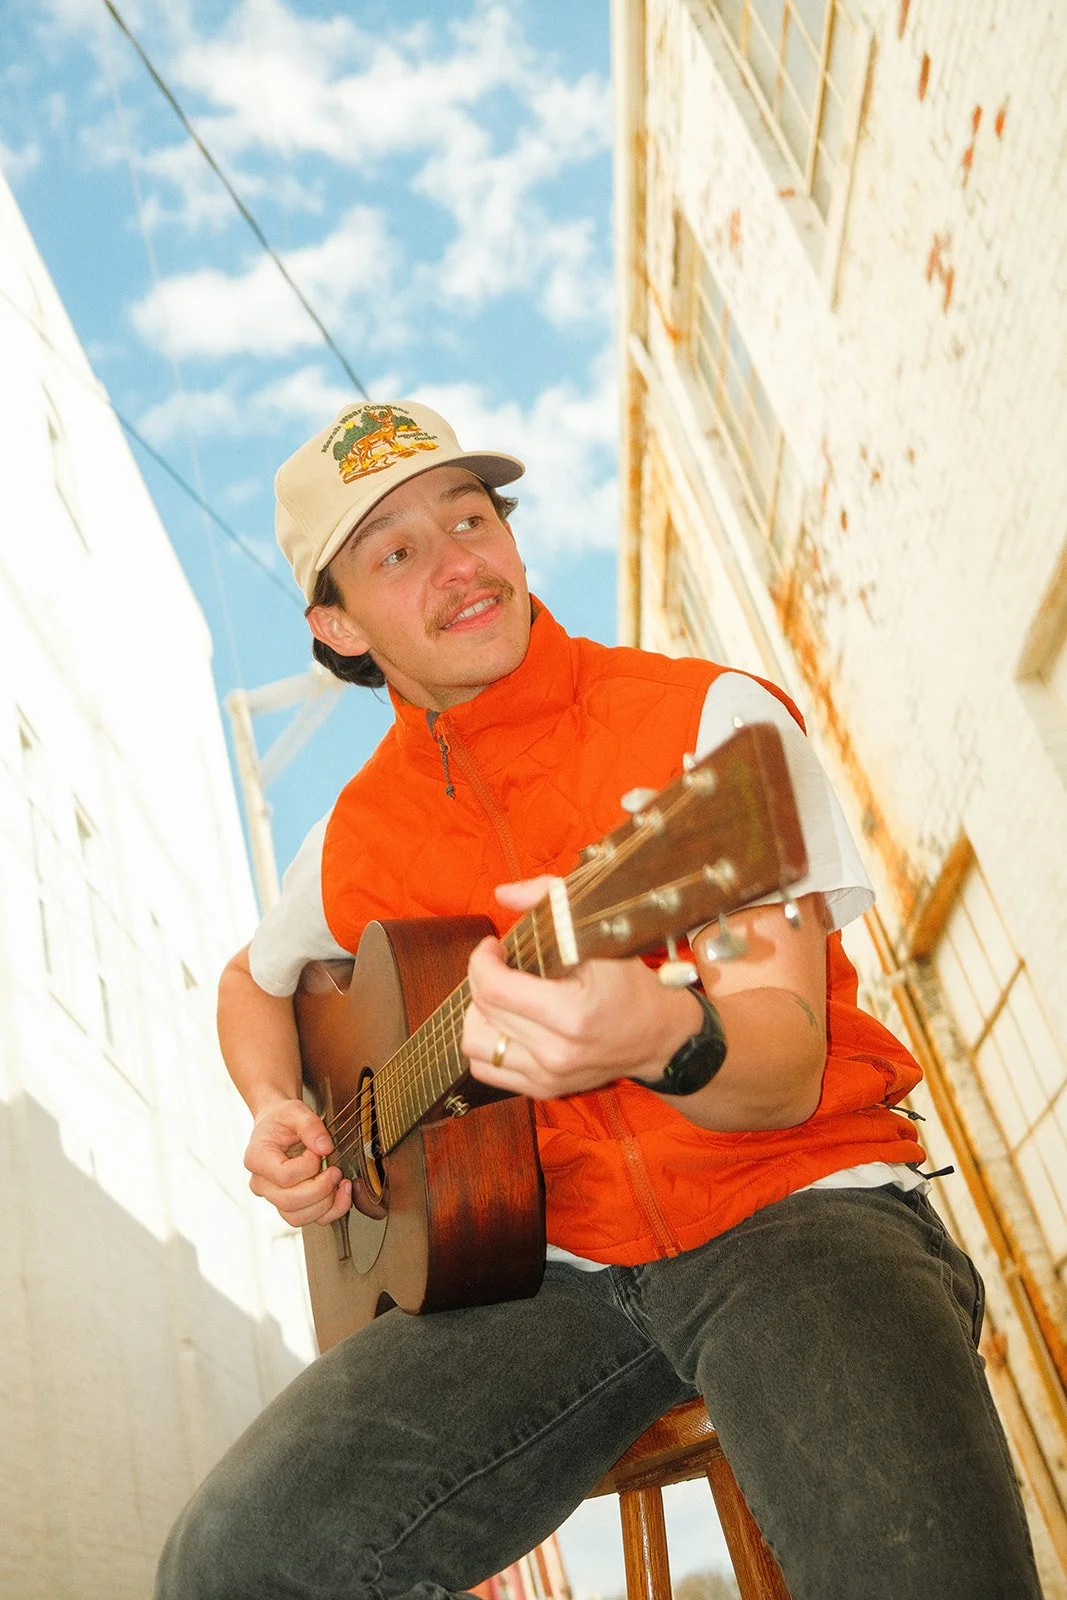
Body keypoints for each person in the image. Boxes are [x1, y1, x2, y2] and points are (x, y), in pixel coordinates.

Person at [156, 401, 1041, 1600]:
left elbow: (779, 1062)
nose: (458, 562)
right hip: (536, 1275)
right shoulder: (351, 838)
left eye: (469, 519)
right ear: (337, 623)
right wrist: (277, 1108)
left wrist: (663, 1035)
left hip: (794, 1208)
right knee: (230, 1563)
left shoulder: (708, 724)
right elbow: (249, 986)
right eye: (396, 552)